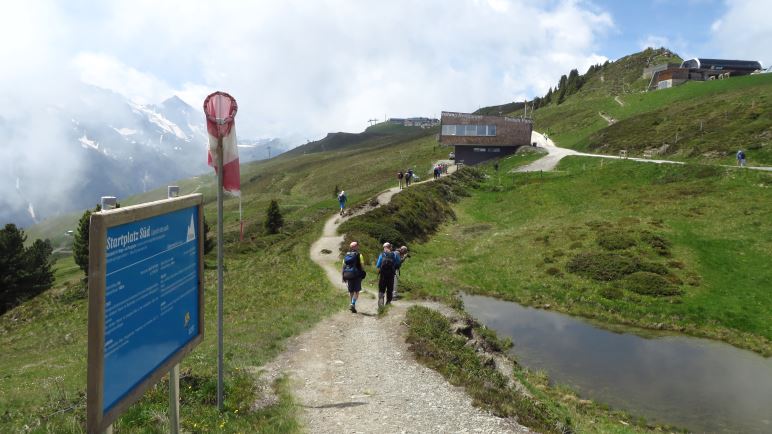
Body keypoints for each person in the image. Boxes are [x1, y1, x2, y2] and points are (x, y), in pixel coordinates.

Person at [342, 241, 365, 313]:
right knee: (357, 291)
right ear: (356, 247)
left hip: (348, 274)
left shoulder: (346, 255)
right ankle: (353, 303)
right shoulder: (359, 255)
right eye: (357, 245)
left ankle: (352, 305)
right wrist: (362, 272)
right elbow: (362, 266)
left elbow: (343, 266)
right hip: (357, 275)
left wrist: (343, 276)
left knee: (351, 291)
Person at [375, 242, 400, 309]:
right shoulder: (394, 254)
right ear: (390, 247)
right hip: (391, 275)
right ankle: (388, 304)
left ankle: (381, 302)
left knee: (381, 289)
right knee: (389, 290)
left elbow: (377, 265)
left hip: (382, 276)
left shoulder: (382, 254)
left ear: (385, 247)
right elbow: (398, 263)